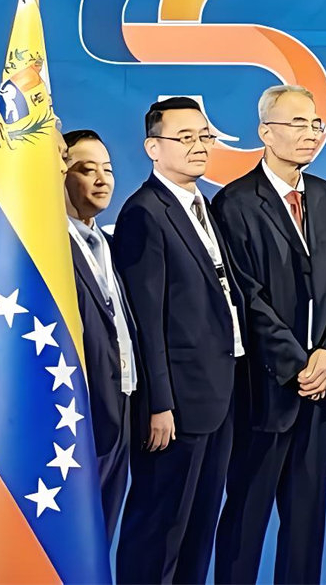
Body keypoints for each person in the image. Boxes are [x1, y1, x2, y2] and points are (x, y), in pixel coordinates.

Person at [211, 86, 326, 584]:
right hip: (266, 388)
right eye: (297, 123)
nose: (310, 133)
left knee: (306, 521)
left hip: (323, 387)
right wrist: (298, 363)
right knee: (247, 516)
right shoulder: (235, 203)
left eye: (315, 124)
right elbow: (246, 296)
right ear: (265, 132)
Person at [112, 97, 247, 585]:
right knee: (159, 528)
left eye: (204, 136)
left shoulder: (202, 204)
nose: (198, 146)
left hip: (218, 392)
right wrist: (159, 403)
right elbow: (145, 321)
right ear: (153, 147)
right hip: (176, 406)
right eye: (184, 137)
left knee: (198, 528)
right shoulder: (145, 212)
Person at [62, 128, 138, 538]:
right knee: (75, 536)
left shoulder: (106, 242)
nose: (102, 179)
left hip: (120, 404)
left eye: (107, 169)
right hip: (77, 414)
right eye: (87, 169)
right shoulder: (49, 247)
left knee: (102, 532)